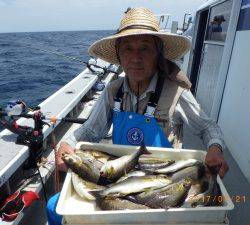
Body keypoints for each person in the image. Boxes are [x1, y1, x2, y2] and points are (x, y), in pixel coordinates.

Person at [46, 8, 228, 225]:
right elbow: (91, 132)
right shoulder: (112, 90)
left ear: (158, 54)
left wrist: (215, 149)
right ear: (119, 57)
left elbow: (207, 128)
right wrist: (68, 143)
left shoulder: (176, 92)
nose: (136, 58)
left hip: (166, 178)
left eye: (145, 48)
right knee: (54, 208)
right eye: (127, 49)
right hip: (120, 176)